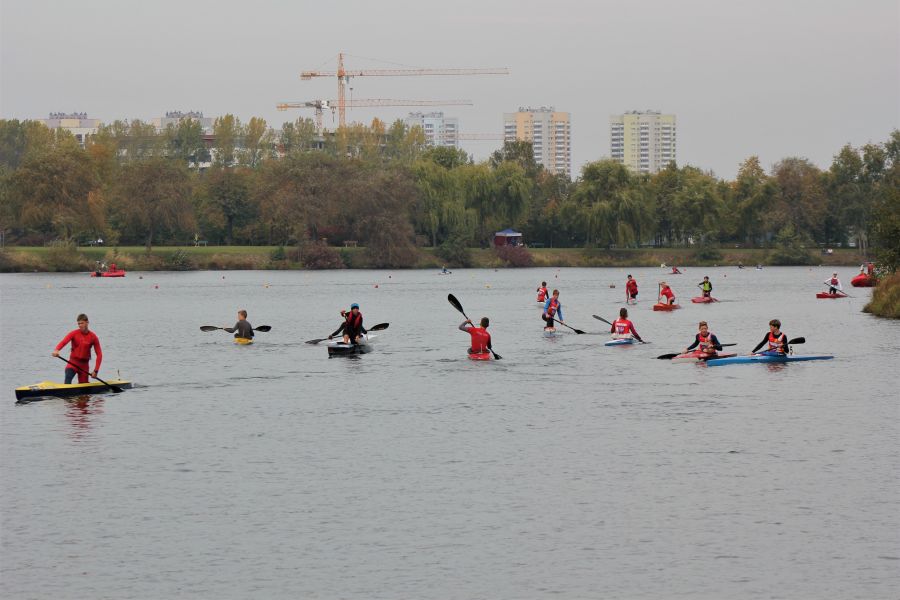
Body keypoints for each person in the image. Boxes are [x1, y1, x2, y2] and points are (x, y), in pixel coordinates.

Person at [52, 314, 103, 384]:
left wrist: (96, 371)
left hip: (84, 366)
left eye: (82, 323)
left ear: (87, 322)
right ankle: (65, 393)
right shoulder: (74, 333)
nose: (80, 325)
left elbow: (99, 355)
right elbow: (64, 342)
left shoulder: (93, 337)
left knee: (84, 388)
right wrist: (56, 350)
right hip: (73, 363)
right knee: (68, 378)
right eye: (78, 323)